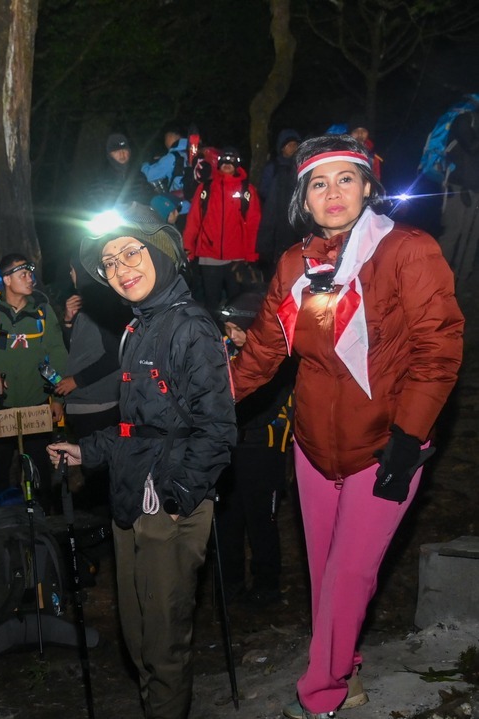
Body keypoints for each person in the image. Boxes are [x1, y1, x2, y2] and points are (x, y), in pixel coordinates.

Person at [225, 134, 464, 719]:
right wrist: (200, 400)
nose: (333, 193)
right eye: (318, 182)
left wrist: (407, 441)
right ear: (303, 197)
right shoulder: (294, 265)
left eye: (345, 179)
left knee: (350, 574)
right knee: (326, 574)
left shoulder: (408, 249)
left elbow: (439, 351)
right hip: (312, 447)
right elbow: (262, 352)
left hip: (387, 445)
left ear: (367, 186)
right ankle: (346, 669)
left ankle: (322, 696)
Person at [48, 209, 236, 719]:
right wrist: (87, 450)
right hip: (131, 498)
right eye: (109, 262)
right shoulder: (137, 329)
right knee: (137, 637)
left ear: (159, 252)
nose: (120, 267)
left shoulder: (190, 327)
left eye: (130, 251)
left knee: (163, 644)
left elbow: (217, 429)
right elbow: (136, 426)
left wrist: (177, 498)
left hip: (169, 503)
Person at [0, 253, 68, 511]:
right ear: (7, 280)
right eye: (23, 274)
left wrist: (58, 399)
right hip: (1, 406)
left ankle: (44, 520)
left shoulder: (42, 312)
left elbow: (57, 354)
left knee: (40, 464)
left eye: (31, 274)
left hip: (37, 403)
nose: (30, 279)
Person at [216, 291, 296, 607]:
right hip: (230, 451)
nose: (233, 337)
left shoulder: (276, 359)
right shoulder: (228, 356)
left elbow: (265, 405)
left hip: (264, 451)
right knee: (228, 518)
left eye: (239, 330)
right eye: (229, 330)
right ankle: (230, 581)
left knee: (262, 521)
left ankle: (267, 585)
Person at [52, 255, 131, 509]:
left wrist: (77, 380)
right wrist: (67, 321)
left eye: (73, 271)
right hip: (85, 405)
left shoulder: (103, 307)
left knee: (103, 478)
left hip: (100, 407)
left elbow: (115, 356)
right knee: (96, 476)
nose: (71, 277)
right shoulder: (87, 307)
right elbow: (76, 351)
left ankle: (107, 531)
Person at [183, 146, 262, 310]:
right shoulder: (206, 188)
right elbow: (194, 221)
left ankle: (233, 335)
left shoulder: (246, 190)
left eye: (231, 161)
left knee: (236, 304)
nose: (227, 164)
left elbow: (253, 224)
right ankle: (212, 334)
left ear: (237, 165)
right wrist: (187, 251)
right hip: (208, 256)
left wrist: (250, 256)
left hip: (236, 258)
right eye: (223, 161)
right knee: (211, 303)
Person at [437, 105, 479, 289]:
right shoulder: (464, 120)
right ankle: (436, 279)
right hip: (458, 187)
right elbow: (469, 146)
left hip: (475, 189)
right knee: (453, 233)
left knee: (472, 236)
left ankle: (461, 279)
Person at [256, 130, 302, 275]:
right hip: (276, 221)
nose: (293, 148)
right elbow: (263, 190)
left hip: (297, 222)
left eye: (295, 145)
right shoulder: (273, 167)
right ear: (282, 148)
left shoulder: (301, 167)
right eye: (289, 145)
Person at [86, 132, 155, 214]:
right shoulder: (101, 179)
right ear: (110, 154)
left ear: (129, 152)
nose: (122, 154)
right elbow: (92, 205)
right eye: (116, 151)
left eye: (124, 150)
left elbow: (151, 198)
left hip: (139, 222)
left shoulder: (139, 176)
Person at [141, 125, 190, 195]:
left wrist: (144, 165)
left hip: (180, 201)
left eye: (165, 137)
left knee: (156, 201)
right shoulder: (191, 152)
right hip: (197, 199)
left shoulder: (171, 157)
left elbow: (151, 175)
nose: (165, 141)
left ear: (171, 136)